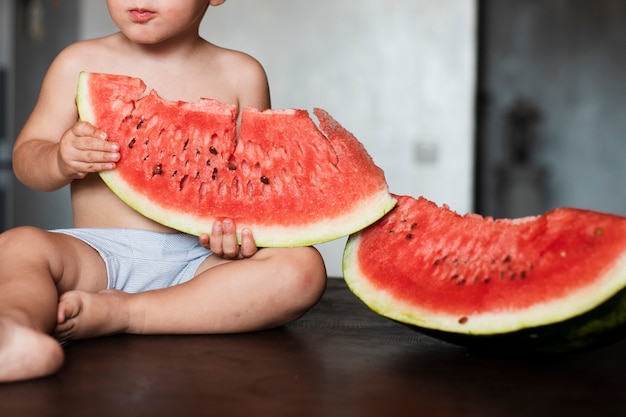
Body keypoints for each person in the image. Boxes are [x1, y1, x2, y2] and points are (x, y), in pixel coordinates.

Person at [0, 0, 327, 383]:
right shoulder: (77, 62)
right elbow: (27, 156)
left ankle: (128, 314)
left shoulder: (241, 73)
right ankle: (12, 333)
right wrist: (58, 158)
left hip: (200, 262)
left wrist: (238, 236)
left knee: (302, 270)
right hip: (97, 255)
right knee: (18, 245)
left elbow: (251, 185)